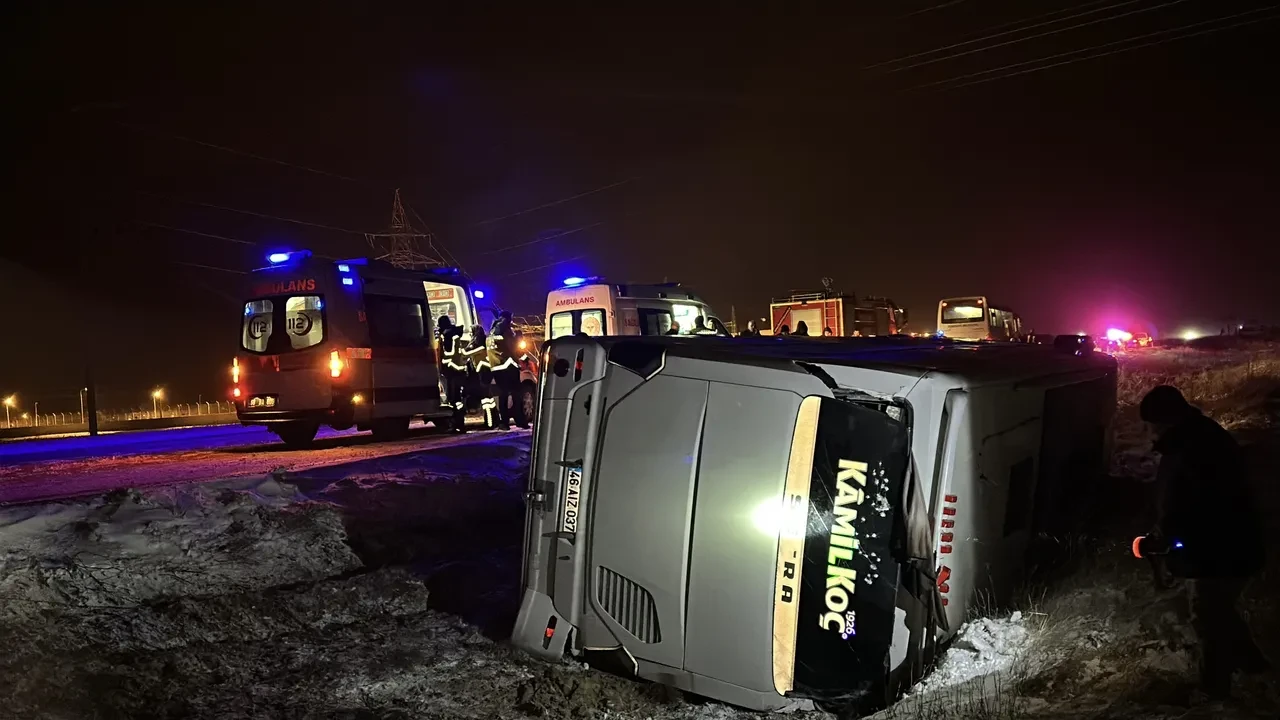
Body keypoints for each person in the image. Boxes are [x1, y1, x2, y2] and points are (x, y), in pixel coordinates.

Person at [1140, 385, 1269, 699]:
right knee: (1219, 610)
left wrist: (1168, 538)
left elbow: (1195, 506)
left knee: (1208, 615)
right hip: (1222, 544)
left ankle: (1215, 690)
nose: (1149, 432)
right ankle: (1256, 669)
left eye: (1152, 424)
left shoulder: (1195, 448)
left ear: (1165, 420)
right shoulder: (1192, 440)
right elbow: (1178, 501)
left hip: (1221, 548)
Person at [487, 310, 528, 430]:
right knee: (517, 394)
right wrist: (525, 358)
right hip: (508, 366)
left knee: (503, 395)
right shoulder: (506, 330)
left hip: (496, 367)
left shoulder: (491, 331)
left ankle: (503, 423)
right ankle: (520, 420)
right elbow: (513, 348)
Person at [437, 315, 468, 433]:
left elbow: (449, 353)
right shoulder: (454, 333)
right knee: (457, 399)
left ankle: (457, 424)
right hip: (457, 370)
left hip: (451, 370)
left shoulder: (448, 335)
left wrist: (443, 360)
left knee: (453, 399)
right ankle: (459, 424)